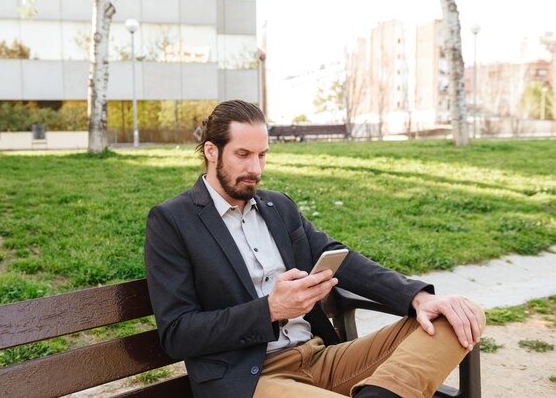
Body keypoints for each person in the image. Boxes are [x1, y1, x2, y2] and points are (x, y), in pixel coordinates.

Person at [145, 100, 485, 398]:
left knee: (458, 315)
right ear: (211, 151)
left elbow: (341, 258)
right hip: (250, 377)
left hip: (321, 358)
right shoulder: (173, 220)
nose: (256, 169)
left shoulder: (278, 206)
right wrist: (271, 310)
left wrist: (418, 298)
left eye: (262, 155)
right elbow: (177, 333)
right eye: (243, 155)